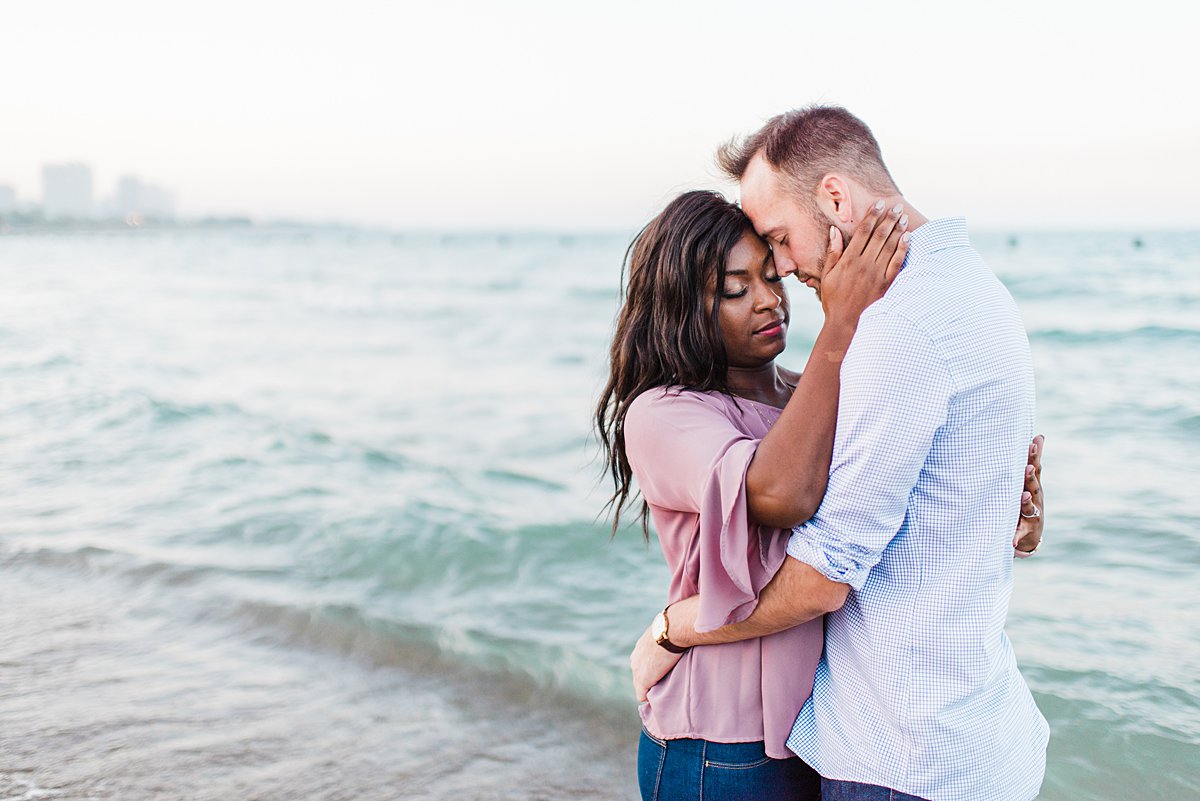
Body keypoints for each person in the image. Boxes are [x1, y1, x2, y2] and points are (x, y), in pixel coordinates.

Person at [628, 106, 1050, 801]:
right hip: (729, 737)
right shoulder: (667, 413)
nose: (783, 281)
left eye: (777, 251)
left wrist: (1006, 498)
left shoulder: (884, 339)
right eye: (739, 288)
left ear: (833, 198)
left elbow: (836, 557)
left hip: (873, 743)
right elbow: (785, 492)